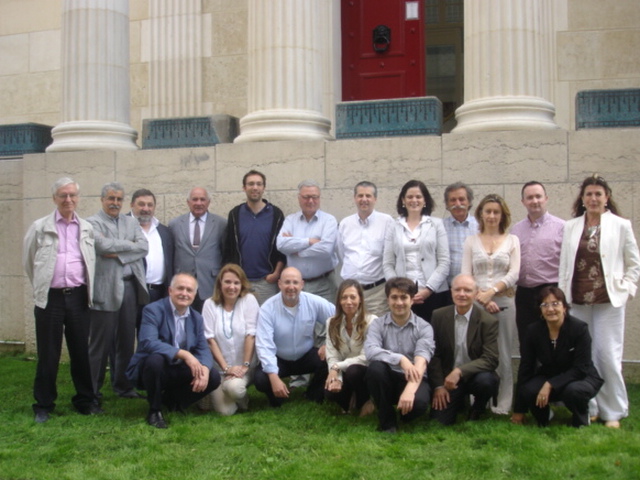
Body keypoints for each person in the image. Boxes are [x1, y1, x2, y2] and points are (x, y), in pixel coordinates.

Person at [558, 174, 640, 428]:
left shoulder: (620, 225)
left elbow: (634, 263)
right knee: (584, 356)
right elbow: (564, 266)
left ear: (607, 198)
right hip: (578, 300)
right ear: (582, 199)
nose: (593, 198)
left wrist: (626, 289)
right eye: (589, 194)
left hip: (608, 301)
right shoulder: (571, 226)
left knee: (607, 355)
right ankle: (589, 406)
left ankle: (613, 410)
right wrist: (562, 299)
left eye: (598, 194)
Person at [23, 177, 101, 422]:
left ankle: (85, 401)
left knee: (81, 352)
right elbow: (29, 262)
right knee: (48, 354)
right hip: (51, 299)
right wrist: (43, 287)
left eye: (72, 195)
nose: (68, 199)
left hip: (78, 297)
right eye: (63, 195)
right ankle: (44, 405)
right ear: (54, 198)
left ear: (78, 198)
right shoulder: (40, 227)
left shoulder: (86, 227)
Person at [126, 273, 220, 428]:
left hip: (177, 368)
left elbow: (203, 348)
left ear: (194, 294)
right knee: (155, 360)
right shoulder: (152, 310)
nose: (184, 293)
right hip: (152, 368)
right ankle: (155, 410)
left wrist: (204, 368)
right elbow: (149, 342)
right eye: (180, 288)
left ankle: (172, 402)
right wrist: (184, 354)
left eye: (189, 290)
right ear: (170, 290)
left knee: (213, 376)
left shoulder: (196, 318)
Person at [88, 182, 149, 401]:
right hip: (105, 288)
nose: (115, 203)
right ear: (102, 199)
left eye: (119, 199)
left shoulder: (131, 222)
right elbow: (101, 246)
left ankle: (123, 386)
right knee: (101, 343)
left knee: (126, 340)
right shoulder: (91, 223)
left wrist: (118, 251)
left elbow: (144, 247)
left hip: (130, 286)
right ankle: (92, 390)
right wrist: (128, 245)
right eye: (111, 199)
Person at [512, 286, 603, 428]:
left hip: (581, 377)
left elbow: (580, 368)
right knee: (529, 389)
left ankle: (581, 418)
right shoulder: (533, 331)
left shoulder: (579, 329)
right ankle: (545, 416)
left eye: (555, 304)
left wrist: (550, 384)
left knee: (573, 391)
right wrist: (519, 410)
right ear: (540, 310)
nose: (550, 309)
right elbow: (526, 367)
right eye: (545, 305)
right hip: (550, 373)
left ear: (564, 307)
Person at [462, 194, 520, 414]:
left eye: (496, 212)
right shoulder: (471, 241)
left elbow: (514, 273)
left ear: (502, 215)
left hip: (504, 302)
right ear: (480, 214)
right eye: (488, 211)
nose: (492, 216)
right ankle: (477, 400)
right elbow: (466, 274)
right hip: (476, 303)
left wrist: (492, 292)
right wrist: (482, 298)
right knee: (475, 352)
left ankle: (502, 404)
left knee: (503, 353)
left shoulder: (512, 241)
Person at [254, 267, 336, 407]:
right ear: (279, 284)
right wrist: (273, 377)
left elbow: (337, 320)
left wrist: (329, 345)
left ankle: (313, 395)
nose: (291, 287)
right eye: (287, 282)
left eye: (295, 282)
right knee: (261, 379)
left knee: (328, 360)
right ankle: (277, 398)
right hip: (279, 358)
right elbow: (264, 346)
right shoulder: (267, 308)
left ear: (302, 284)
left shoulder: (313, 302)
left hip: (306, 355)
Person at [364, 277, 435, 433]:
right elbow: (370, 350)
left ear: (412, 300)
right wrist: (400, 359)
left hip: (413, 377)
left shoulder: (424, 327)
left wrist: (410, 390)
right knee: (375, 369)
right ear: (387, 300)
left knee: (419, 404)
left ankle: (404, 414)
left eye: (404, 297)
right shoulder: (377, 324)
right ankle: (387, 421)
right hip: (388, 377)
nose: (399, 302)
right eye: (394, 297)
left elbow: (421, 361)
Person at [429, 274, 499, 425]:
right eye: (457, 290)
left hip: (475, 376)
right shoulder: (438, 316)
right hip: (448, 379)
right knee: (439, 422)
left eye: (467, 290)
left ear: (476, 293)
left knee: (486, 381)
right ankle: (460, 402)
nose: (462, 294)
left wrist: (459, 371)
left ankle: (478, 408)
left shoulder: (488, 321)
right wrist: (439, 386)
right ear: (451, 292)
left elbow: (491, 359)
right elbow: (434, 355)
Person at [383, 180, 450, 322]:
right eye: (410, 197)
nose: (414, 200)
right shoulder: (393, 226)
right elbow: (388, 264)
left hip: (434, 294)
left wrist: (428, 290)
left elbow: (444, 262)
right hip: (403, 298)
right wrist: (399, 290)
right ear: (403, 200)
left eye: (418, 197)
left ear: (425, 200)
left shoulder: (436, 224)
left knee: (434, 333)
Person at [511, 181, 564, 353]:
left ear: (546, 198)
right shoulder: (516, 230)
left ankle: (552, 371)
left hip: (550, 291)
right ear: (523, 202)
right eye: (530, 197)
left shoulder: (562, 227)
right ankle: (528, 371)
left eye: (538, 196)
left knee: (552, 339)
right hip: (524, 294)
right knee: (526, 340)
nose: (534, 201)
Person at [199, 264, 259, 415]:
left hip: (244, 368)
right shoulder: (209, 304)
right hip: (220, 369)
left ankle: (236, 393)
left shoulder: (249, 300)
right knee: (225, 412)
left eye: (236, 283)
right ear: (220, 283)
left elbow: (251, 335)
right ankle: (221, 393)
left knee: (234, 389)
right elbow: (210, 340)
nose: (231, 287)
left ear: (242, 284)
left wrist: (244, 366)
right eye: (227, 282)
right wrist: (226, 369)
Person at [223, 170, 286, 305]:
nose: (255, 187)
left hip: (267, 282)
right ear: (244, 187)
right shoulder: (235, 214)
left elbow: (282, 248)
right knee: (241, 317)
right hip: (241, 281)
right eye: (251, 184)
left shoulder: (276, 214)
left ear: (264, 187)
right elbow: (229, 248)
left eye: (258, 184)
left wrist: (276, 273)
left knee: (266, 316)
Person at [337, 181, 394, 316]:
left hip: (376, 293)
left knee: (376, 327)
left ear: (375, 199)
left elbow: (391, 256)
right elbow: (342, 254)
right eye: (360, 196)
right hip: (349, 293)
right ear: (354, 198)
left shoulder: (387, 222)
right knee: (350, 327)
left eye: (368, 196)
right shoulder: (345, 224)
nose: (364, 199)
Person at [277, 179, 339, 302]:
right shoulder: (290, 220)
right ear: (299, 198)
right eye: (306, 197)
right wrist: (309, 241)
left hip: (324, 284)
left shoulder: (329, 221)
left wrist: (298, 251)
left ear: (319, 198)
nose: (310, 201)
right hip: (295, 285)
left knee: (327, 315)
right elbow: (281, 245)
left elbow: (326, 249)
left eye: (314, 197)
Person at [169, 187, 227, 312]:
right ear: (188, 202)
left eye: (202, 199)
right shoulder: (175, 224)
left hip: (210, 283)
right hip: (183, 285)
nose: (199, 203)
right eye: (194, 199)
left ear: (209, 202)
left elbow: (225, 253)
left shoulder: (221, 224)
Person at [324, 279, 376, 415]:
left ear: (360, 300)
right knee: (330, 392)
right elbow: (332, 355)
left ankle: (366, 400)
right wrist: (337, 378)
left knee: (354, 371)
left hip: (364, 370)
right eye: (344, 297)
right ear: (339, 301)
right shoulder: (331, 323)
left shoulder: (371, 321)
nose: (348, 302)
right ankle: (349, 399)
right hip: (343, 369)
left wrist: (337, 367)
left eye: (353, 297)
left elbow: (366, 357)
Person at [130, 188, 174, 305]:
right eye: (141, 204)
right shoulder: (122, 225)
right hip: (133, 293)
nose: (146, 209)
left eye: (150, 205)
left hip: (160, 293)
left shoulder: (164, 231)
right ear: (132, 205)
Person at [442, 182, 478, 302]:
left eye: (462, 199)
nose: (457, 204)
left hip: (476, 290)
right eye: (453, 200)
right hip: (447, 290)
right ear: (447, 204)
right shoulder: (439, 227)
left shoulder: (480, 226)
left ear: (469, 202)